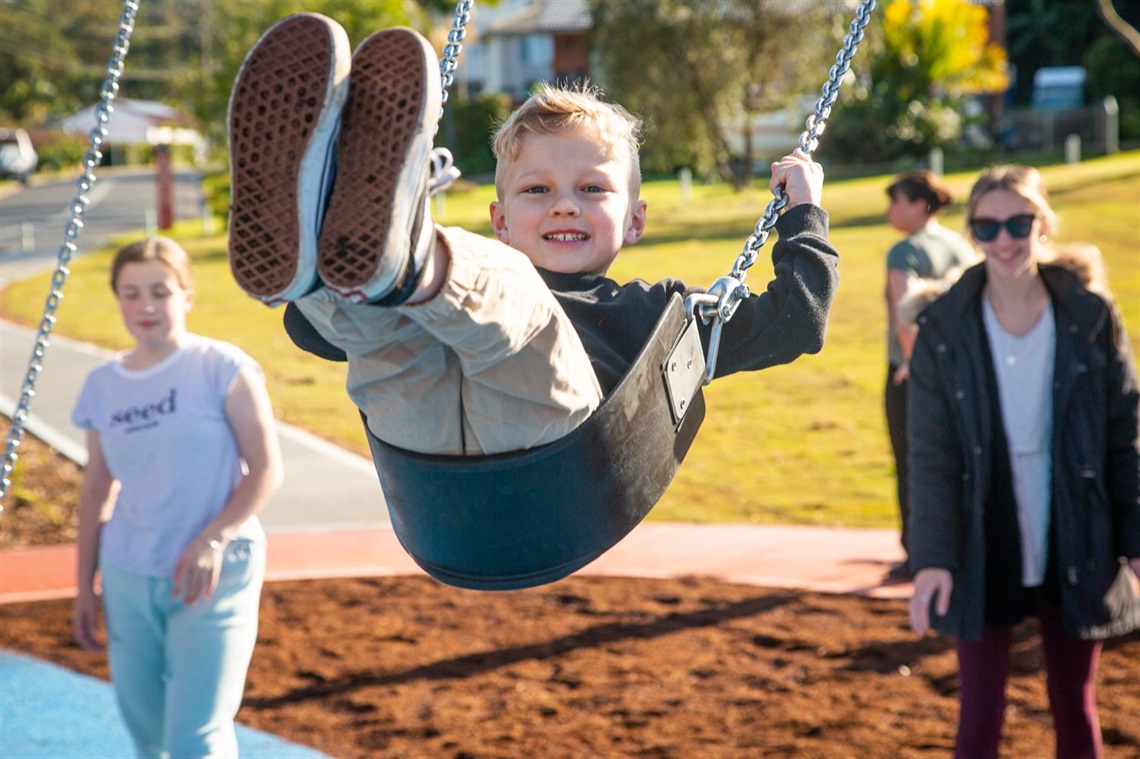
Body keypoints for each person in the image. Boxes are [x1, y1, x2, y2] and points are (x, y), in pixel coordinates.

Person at [226, 14, 839, 460]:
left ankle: (391, 255)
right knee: (385, 338)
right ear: (501, 219)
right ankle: (329, 252)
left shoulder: (660, 317)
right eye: (537, 190)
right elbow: (315, 337)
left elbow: (795, 325)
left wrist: (803, 212)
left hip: (555, 455)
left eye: (593, 190)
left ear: (636, 220)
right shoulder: (475, 277)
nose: (563, 206)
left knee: (509, 298)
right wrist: (325, 306)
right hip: (424, 450)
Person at [906, 165, 1140, 759]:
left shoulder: (1090, 316)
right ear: (972, 234)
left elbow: (1125, 436)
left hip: (1076, 527)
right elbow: (930, 454)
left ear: (1043, 225)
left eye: (1018, 223)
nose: (1004, 240)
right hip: (983, 531)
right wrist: (932, 558)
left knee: (1075, 704)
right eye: (987, 227)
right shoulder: (942, 327)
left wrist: (1135, 539)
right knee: (980, 712)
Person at [71, 237, 284, 757]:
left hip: (213, 575)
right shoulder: (101, 385)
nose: (145, 305)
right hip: (129, 572)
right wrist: (83, 586)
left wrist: (212, 540)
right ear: (117, 299)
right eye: (131, 292)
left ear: (186, 296)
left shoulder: (222, 368)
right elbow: (97, 488)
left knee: (195, 737)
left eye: (160, 291)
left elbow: (266, 470)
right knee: (147, 733)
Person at [881, 171, 975, 580]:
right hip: (960, 371)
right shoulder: (961, 245)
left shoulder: (904, 252)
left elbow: (905, 315)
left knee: (912, 463)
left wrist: (912, 365)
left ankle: (918, 553)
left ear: (920, 205)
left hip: (912, 371)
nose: (890, 211)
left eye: (897, 201)